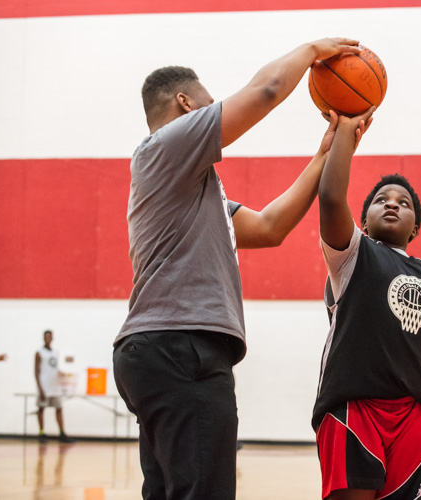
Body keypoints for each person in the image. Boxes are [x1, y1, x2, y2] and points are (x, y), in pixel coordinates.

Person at [112, 38, 362, 500]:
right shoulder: (164, 148)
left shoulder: (193, 191)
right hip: (180, 344)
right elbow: (266, 89)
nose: (217, 109)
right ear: (186, 104)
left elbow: (269, 227)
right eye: (210, 103)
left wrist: (324, 154)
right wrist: (312, 50)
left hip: (160, 350)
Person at [313, 108, 421, 500]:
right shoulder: (354, 255)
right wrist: (347, 135)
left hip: (414, 414)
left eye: (404, 203)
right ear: (362, 221)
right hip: (353, 407)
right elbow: (331, 197)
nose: (392, 203)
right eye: (381, 199)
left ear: (415, 226)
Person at [35, 330, 73, 443]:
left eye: (49, 337)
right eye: (46, 337)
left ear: (52, 338)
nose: (48, 338)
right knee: (41, 409)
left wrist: (61, 374)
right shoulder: (39, 352)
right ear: (43, 338)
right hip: (44, 386)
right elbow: (36, 371)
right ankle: (41, 433)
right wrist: (40, 388)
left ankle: (61, 433)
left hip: (54, 386)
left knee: (59, 408)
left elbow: (53, 368)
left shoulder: (55, 352)